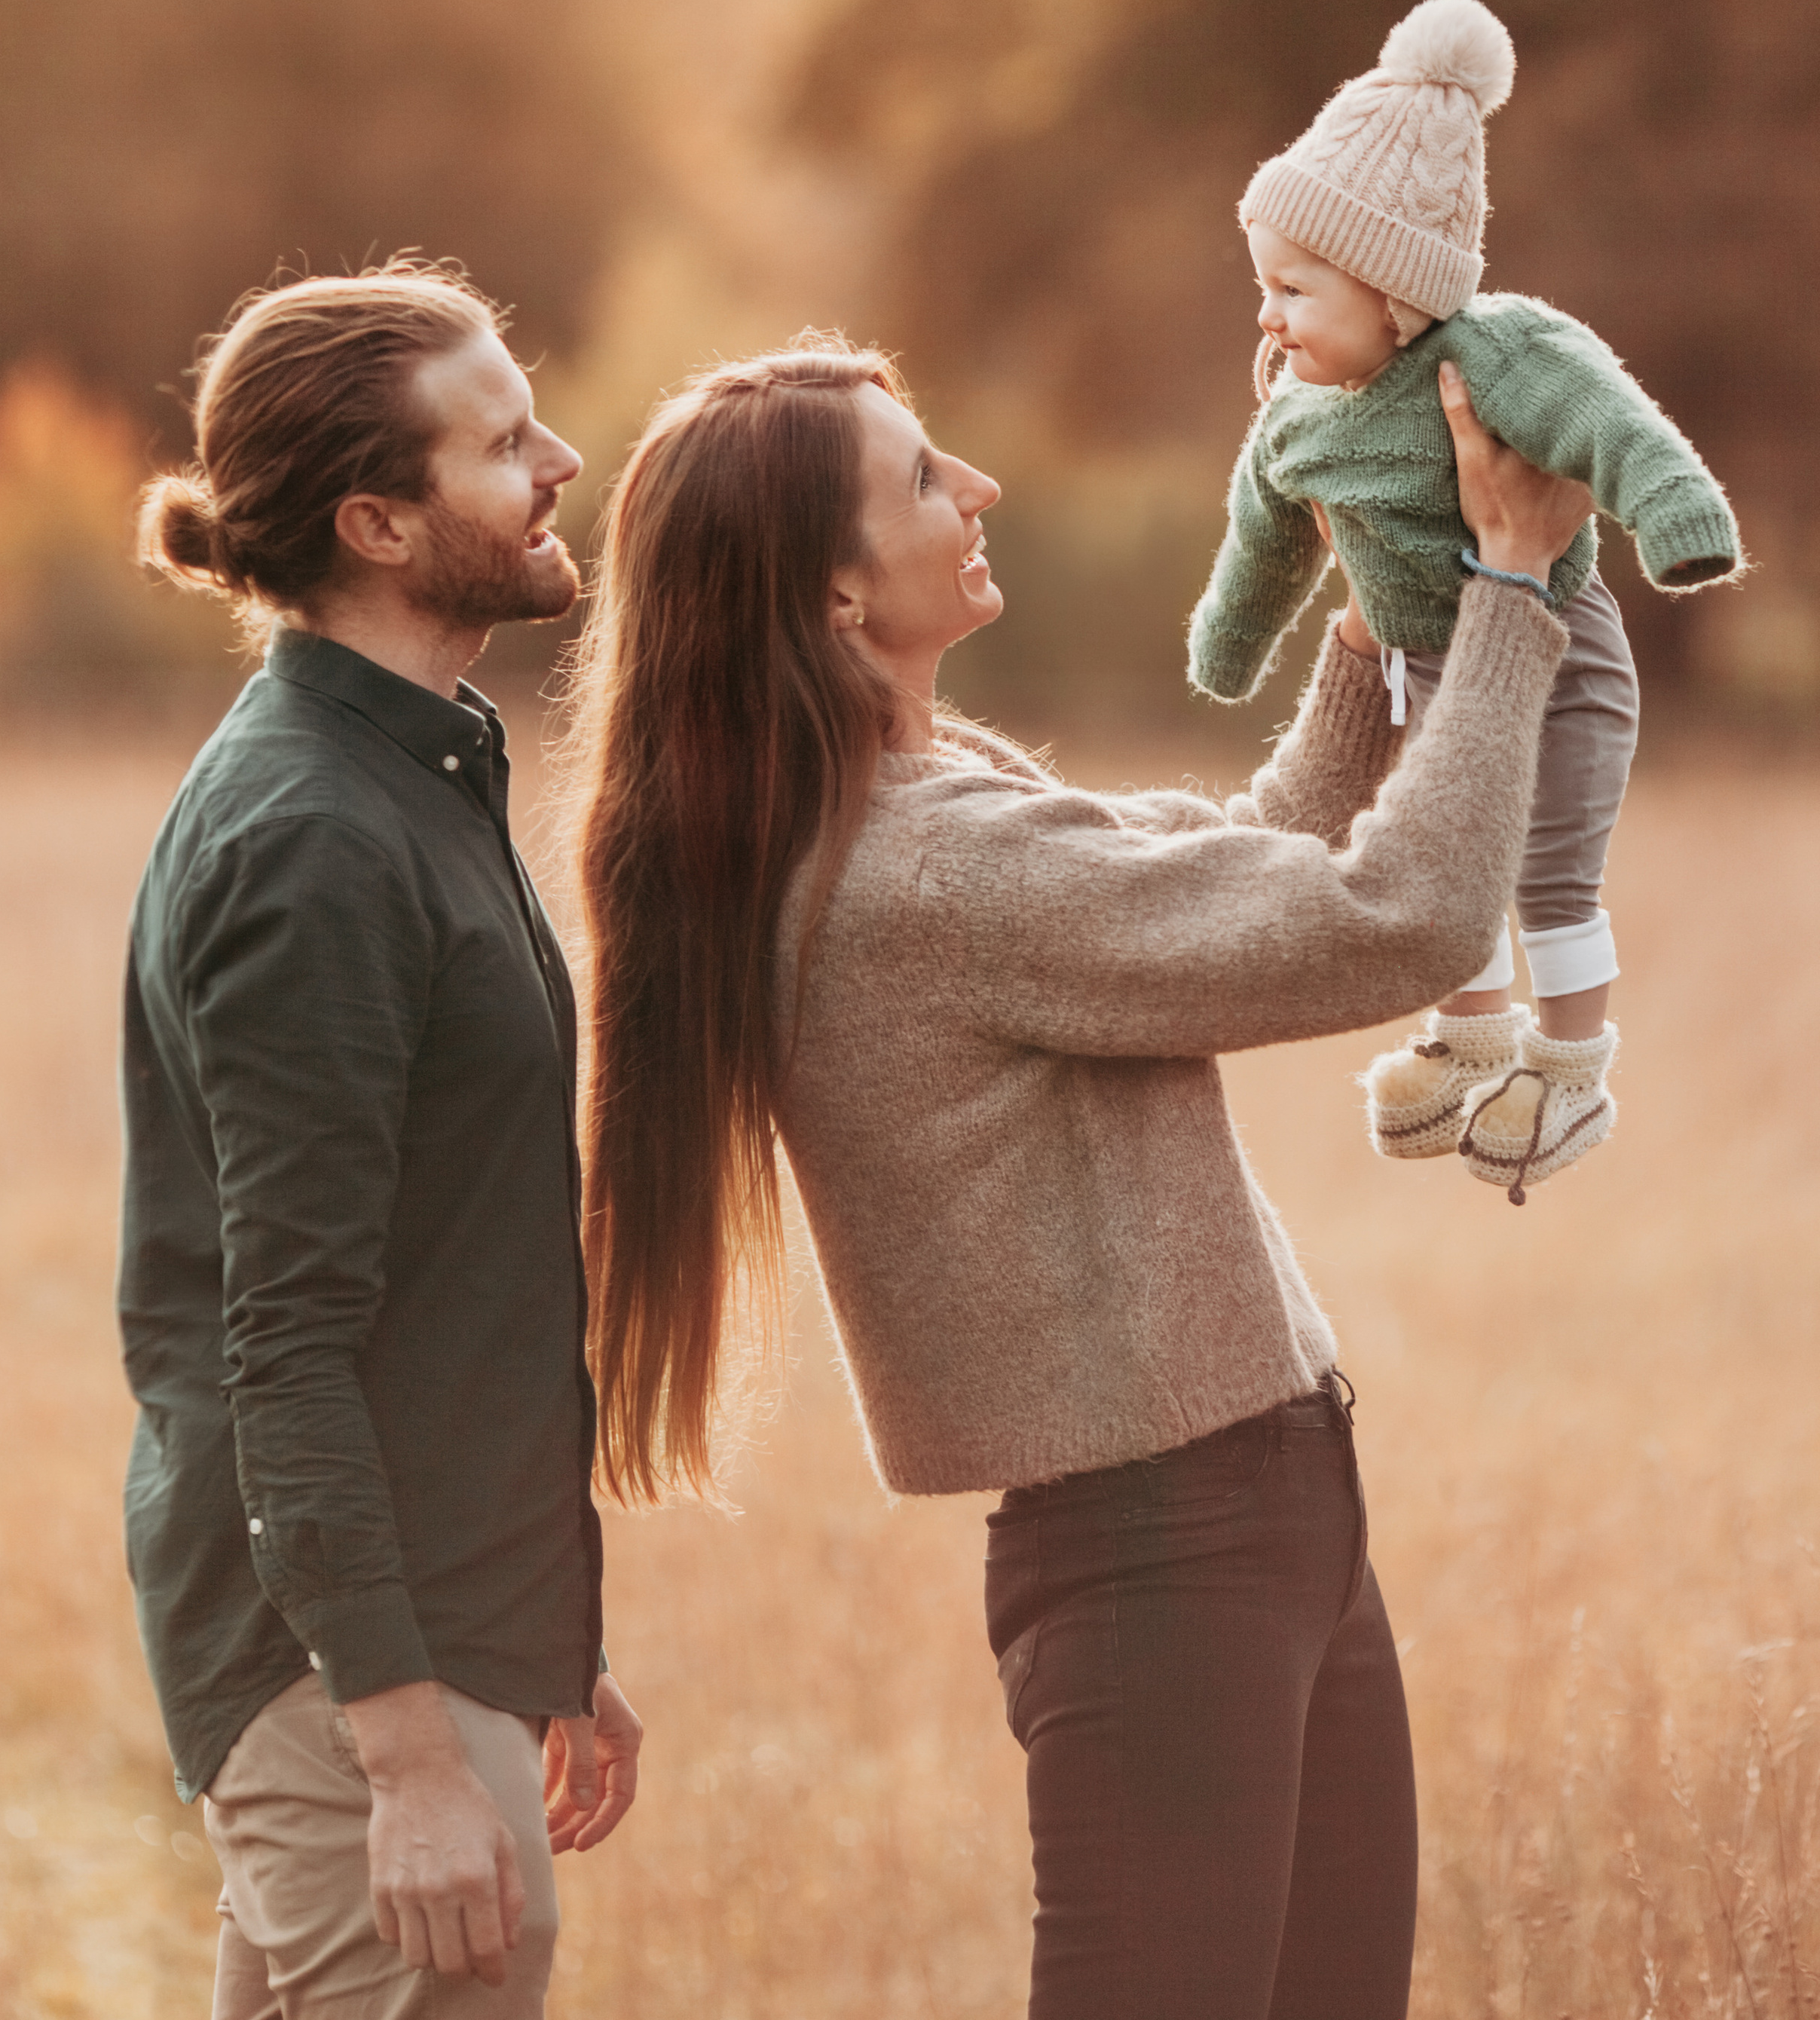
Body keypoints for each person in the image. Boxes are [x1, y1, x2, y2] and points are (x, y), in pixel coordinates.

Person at [564, 329, 1592, 2018]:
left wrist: (1369, 613)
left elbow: (1237, 863)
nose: (975, 486)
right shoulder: (922, 867)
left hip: (1249, 1517)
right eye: (920, 474)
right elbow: (1395, 919)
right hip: (1167, 1553)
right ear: (833, 595)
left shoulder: (921, 803)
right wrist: (1509, 589)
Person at [121, 259, 640, 2020]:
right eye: (502, 444)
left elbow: (445, 1257)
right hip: (340, 1661)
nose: (559, 461)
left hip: (427, 1618)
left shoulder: (416, 765)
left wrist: (542, 1629)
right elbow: (281, 1338)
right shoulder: (317, 840)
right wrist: (410, 1755)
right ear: (379, 523)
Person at [1187, 0, 1742, 1200]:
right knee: (1441, 855)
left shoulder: (1495, 356)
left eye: (1295, 289)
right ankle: (1472, 1035)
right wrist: (1231, 641)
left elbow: (1611, 422)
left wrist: (1680, 520)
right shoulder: (1296, 415)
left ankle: (1571, 1064)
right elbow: (1265, 538)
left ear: (1392, 290)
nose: (1268, 315)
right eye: (1264, 285)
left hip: (1556, 652)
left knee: (1549, 868)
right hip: (1420, 670)